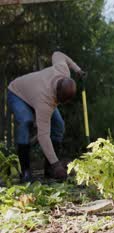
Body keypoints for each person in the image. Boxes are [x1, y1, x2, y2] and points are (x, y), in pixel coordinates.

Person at [7, 51, 85, 182]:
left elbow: (57, 54)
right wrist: (57, 163)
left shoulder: (63, 71)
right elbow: (43, 136)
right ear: (57, 92)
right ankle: (25, 171)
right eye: (59, 100)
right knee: (26, 121)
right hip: (17, 93)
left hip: (36, 93)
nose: (59, 104)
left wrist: (77, 69)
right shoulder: (44, 101)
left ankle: (49, 169)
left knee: (59, 125)